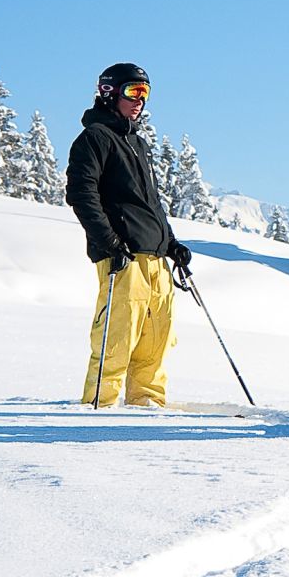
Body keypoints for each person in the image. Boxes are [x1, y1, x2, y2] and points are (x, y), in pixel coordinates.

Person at [66, 62, 192, 408]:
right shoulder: (95, 138)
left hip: (154, 256)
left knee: (157, 336)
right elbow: (81, 193)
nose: (140, 101)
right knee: (118, 334)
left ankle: (146, 402)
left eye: (145, 94)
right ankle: (99, 404)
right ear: (109, 92)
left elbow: (149, 203)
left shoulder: (136, 143)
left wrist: (171, 243)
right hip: (122, 255)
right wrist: (108, 241)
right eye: (132, 91)